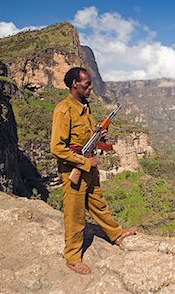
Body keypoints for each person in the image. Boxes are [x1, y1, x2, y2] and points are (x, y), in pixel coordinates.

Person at [50, 67, 137, 275]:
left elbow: (87, 139)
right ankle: (72, 257)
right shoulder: (64, 110)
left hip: (89, 165)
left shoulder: (84, 107)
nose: (91, 87)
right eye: (86, 84)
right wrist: (82, 163)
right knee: (75, 214)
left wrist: (101, 136)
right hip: (75, 169)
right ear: (74, 84)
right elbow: (57, 147)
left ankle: (116, 234)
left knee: (98, 203)